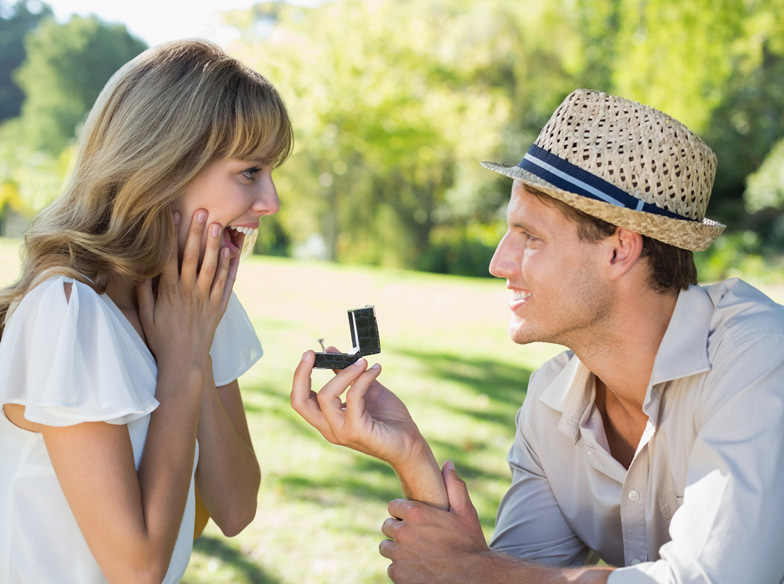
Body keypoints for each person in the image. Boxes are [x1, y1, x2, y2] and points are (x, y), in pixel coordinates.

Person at [291, 89, 784, 583]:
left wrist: (472, 570)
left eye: (530, 237)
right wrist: (411, 456)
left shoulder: (758, 361)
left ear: (619, 251)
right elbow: (493, 574)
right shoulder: (551, 407)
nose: (498, 264)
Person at [0, 39, 292, 583]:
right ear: (165, 167)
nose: (270, 201)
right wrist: (181, 360)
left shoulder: (197, 299)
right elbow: (137, 569)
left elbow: (235, 507)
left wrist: (195, 346)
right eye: (250, 172)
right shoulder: (68, 312)